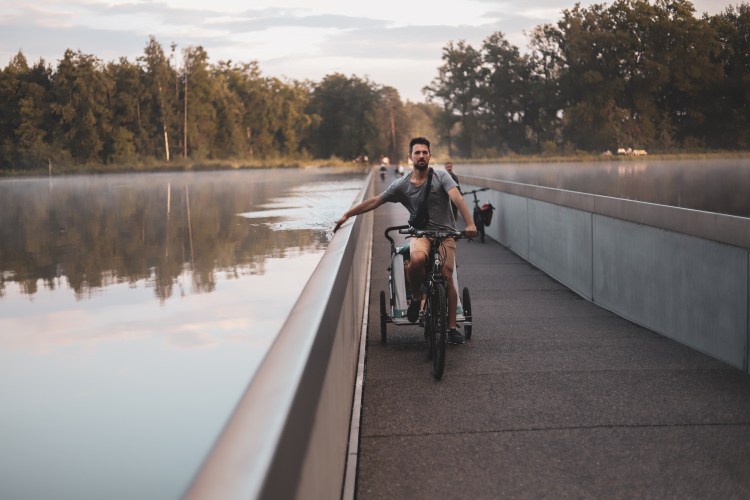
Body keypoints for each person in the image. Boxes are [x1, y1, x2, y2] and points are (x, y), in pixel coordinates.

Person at [334, 137, 477, 344]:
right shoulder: (402, 185)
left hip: (446, 234)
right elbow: (375, 201)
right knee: (417, 260)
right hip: (421, 234)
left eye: (425, 152)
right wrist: (348, 214)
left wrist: (470, 224)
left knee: (446, 278)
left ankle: (452, 327)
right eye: (417, 153)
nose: (421, 156)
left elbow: (457, 198)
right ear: (410, 157)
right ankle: (417, 298)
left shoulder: (442, 176)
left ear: (430, 156)